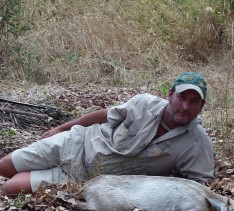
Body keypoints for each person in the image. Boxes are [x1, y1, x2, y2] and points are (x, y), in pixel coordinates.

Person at [0, 72, 214, 196]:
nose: (185, 106)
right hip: (78, 143)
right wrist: (62, 128)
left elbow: (198, 186)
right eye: (181, 97)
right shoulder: (144, 104)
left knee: (11, 187)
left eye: (194, 101)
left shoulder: (198, 143)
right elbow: (104, 115)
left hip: (85, 178)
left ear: (201, 105)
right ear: (170, 94)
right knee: (5, 166)